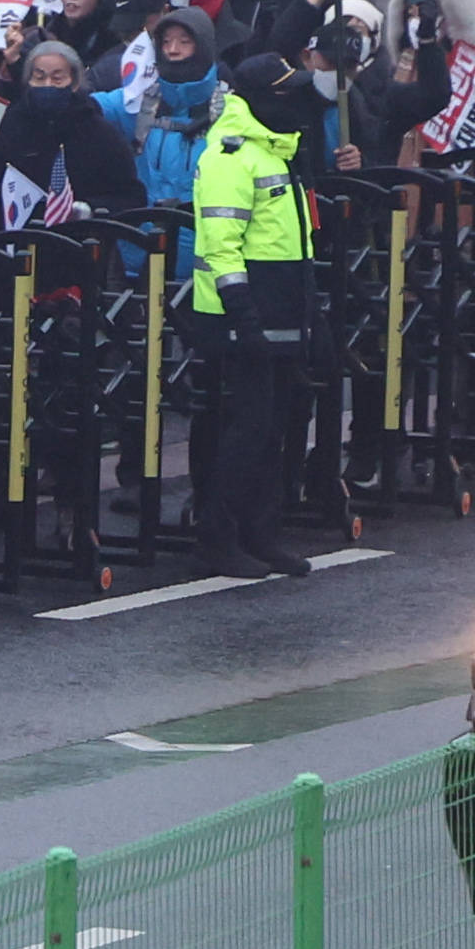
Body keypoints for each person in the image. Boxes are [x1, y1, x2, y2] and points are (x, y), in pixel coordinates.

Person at [181, 52, 321, 581]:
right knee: (246, 430)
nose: (296, 102)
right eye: (285, 92)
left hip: (281, 313)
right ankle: (217, 536)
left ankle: (262, 533)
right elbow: (221, 249)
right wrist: (244, 318)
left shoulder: (273, 152)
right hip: (241, 320)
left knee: (275, 430)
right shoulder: (231, 157)